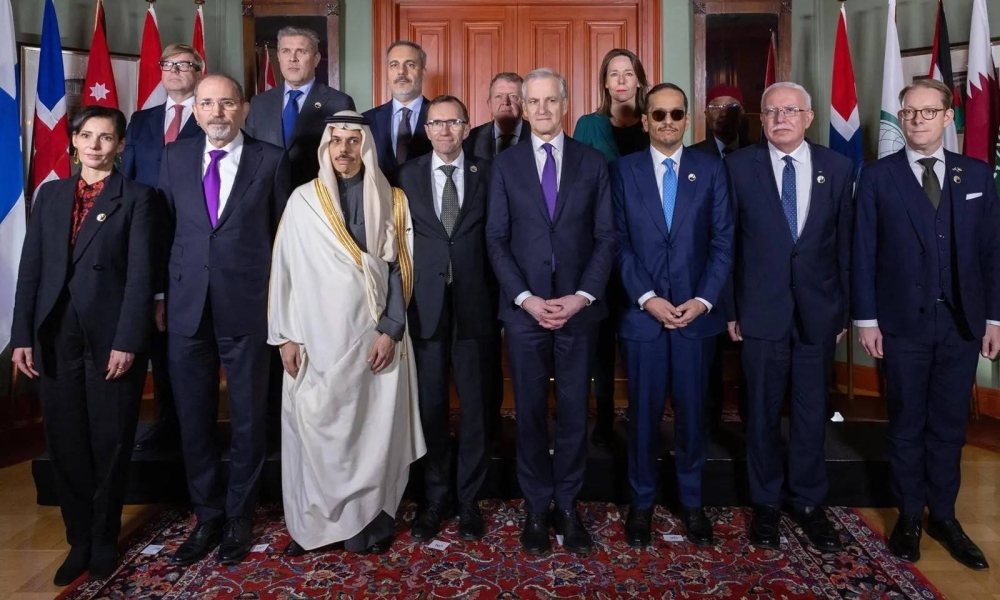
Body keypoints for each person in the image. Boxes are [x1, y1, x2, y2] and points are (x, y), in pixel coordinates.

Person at [853, 78, 1000, 570]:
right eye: (909, 112)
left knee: (949, 425)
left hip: (962, 325)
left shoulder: (976, 174)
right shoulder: (877, 176)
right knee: (906, 422)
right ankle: (909, 516)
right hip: (901, 324)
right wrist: (867, 319)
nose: (917, 120)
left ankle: (945, 517)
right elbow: (862, 252)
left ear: (946, 117)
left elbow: (992, 252)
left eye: (927, 111)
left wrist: (994, 318)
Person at [269, 110, 425, 556]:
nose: (344, 149)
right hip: (316, 338)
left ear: (366, 146)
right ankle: (318, 523)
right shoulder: (302, 201)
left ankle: (369, 522)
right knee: (317, 430)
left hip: (373, 337)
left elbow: (399, 268)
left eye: (353, 141)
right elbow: (284, 271)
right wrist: (286, 336)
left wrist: (390, 330)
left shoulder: (392, 198)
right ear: (325, 146)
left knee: (373, 434)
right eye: (336, 140)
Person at [11, 106, 154, 585]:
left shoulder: (138, 198)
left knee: (110, 440)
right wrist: (22, 335)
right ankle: (78, 540)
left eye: (106, 137)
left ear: (120, 145)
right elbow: (30, 269)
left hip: (111, 336)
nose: (95, 145)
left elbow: (141, 277)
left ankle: (104, 539)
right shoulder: (51, 195)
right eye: (87, 135)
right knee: (66, 440)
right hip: (55, 333)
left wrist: (128, 340)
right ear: (73, 141)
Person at [158, 74, 290, 567]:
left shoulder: (271, 160)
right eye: (208, 103)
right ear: (195, 110)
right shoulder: (173, 158)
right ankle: (207, 514)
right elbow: (164, 230)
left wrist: (281, 307)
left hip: (248, 306)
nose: (217, 112)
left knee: (249, 416)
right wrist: (160, 295)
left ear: (244, 108)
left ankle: (239, 516)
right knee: (193, 418)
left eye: (227, 103)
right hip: (186, 306)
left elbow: (284, 239)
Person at [486, 68, 615, 556]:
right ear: (523, 107)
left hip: (579, 311)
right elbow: (496, 240)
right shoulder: (505, 165)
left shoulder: (592, 162)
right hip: (526, 313)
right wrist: (526, 298)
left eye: (550, 100)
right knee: (530, 413)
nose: (541, 109)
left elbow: (607, 237)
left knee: (575, 414)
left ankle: (568, 505)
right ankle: (537, 507)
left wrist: (582, 296)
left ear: (565, 104)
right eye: (533, 101)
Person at [725, 82, 853, 553]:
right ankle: (765, 503)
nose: (781, 118)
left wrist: (844, 311)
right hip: (760, 311)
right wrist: (731, 309)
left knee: (810, 412)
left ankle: (808, 503)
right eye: (772, 111)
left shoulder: (838, 168)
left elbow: (846, 245)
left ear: (808, 117)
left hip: (819, 313)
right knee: (760, 411)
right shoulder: (738, 167)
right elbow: (727, 245)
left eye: (790, 110)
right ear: (760, 119)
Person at [612, 83, 733, 548]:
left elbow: (723, 242)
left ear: (687, 119)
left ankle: (692, 502)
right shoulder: (622, 171)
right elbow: (618, 242)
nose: (667, 122)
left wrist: (702, 300)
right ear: (645, 120)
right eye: (658, 114)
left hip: (695, 317)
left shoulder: (712, 169)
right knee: (642, 416)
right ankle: (641, 504)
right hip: (643, 317)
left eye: (676, 114)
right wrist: (647, 297)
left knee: (692, 416)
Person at [398, 96, 495, 542]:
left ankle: (469, 498)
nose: (443, 130)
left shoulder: (488, 173)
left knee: (476, 407)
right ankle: (435, 497)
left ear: (466, 127)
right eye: (435, 123)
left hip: (476, 305)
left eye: (452, 122)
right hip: (426, 307)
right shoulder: (406, 175)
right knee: (430, 406)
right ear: (426, 129)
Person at [121, 43, 204, 453]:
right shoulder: (142, 120)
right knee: (151, 332)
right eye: (167, 64)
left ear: (199, 72)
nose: (174, 70)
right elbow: (128, 177)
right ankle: (165, 420)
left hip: (190, 234)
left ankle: (192, 423)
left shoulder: (209, 117)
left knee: (184, 334)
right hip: (145, 236)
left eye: (183, 64)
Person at [572, 48, 651, 448]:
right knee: (601, 339)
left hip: (646, 249)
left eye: (628, 73)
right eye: (613, 74)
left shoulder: (655, 122)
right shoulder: (589, 125)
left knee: (641, 338)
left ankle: (642, 421)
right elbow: (576, 185)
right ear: (604, 82)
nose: (621, 80)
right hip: (600, 247)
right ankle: (603, 421)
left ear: (639, 80)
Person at [245, 26, 356, 190]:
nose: (293, 58)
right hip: (267, 196)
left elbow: (348, 160)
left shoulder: (339, 103)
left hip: (318, 195)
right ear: (279, 57)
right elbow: (250, 157)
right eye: (286, 51)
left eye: (301, 52)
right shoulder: (259, 103)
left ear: (316, 59)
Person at [363, 40, 433, 184]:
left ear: (423, 73)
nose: (401, 71)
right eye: (394, 65)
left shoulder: (441, 119)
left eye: (410, 64)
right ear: (387, 74)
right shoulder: (366, 121)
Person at [464, 72, 530, 161]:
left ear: (524, 103)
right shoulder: (470, 139)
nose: (505, 102)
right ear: (489, 104)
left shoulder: (538, 136)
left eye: (513, 96)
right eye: (498, 96)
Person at [691, 84, 749, 158]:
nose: (723, 114)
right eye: (716, 107)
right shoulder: (692, 155)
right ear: (706, 114)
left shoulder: (756, 153)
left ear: (742, 112)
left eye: (731, 107)